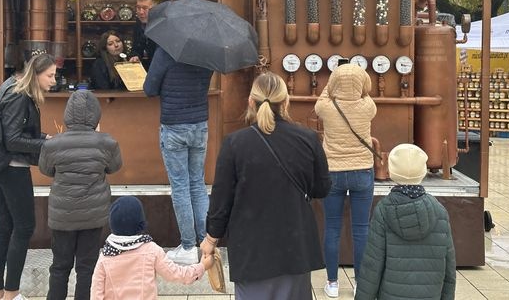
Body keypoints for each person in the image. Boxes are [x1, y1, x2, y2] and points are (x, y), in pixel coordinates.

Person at [200, 71, 331, 299]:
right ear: (286, 101)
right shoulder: (308, 138)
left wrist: (211, 239)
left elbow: (221, 200)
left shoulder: (235, 144)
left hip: (251, 249)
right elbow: (322, 188)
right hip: (295, 245)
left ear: (251, 101)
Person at [39, 90, 123, 300]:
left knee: (59, 266)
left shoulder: (52, 144)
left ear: (67, 114)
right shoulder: (107, 142)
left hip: (62, 216)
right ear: (96, 115)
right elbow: (114, 167)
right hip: (93, 216)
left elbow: (46, 170)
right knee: (87, 268)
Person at [0, 53, 57, 300]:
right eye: (50, 75)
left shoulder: (9, 86)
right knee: (24, 227)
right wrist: (43, 143)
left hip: (0, 166)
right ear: (36, 74)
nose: (53, 81)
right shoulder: (19, 96)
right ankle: (12, 293)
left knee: (4, 228)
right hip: (13, 167)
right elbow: (13, 139)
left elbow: (12, 132)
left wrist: (43, 137)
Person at [355, 144, 456, 300]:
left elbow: (372, 265)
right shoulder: (440, 211)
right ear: (423, 172)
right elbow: (449, 268)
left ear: (391, 171)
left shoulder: (383, 210)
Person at [144, 47, 213, 265]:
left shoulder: (165, 51)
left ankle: (188, 247)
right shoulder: (207, 52)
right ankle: (206, 244)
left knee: (181, 187)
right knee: (198, 184)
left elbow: (149, 88)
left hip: (174, 125)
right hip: (200, 123)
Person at [315, 63, 377, 298]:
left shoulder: (326, 107)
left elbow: (324, 95)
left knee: (332, 228)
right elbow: (366, 90)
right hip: (362, 171)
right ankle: (360, 284)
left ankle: (332, 283)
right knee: (361, 230)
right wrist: (359, 82)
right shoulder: (368, 106)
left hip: (334, 173)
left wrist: (334, 83)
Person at [90, 196, 214, 299]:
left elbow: (96, 294)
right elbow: (176, 274)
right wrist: (202, 266)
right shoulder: (151, 250)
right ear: (141, 221)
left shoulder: (105, 256)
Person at [129, 0, 158, 70]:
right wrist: (135, 56)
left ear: (155, 9)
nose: (141, 12)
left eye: (145, 8)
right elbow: (137, 46)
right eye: (138, 8)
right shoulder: (138, 24)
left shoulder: (163, 25)